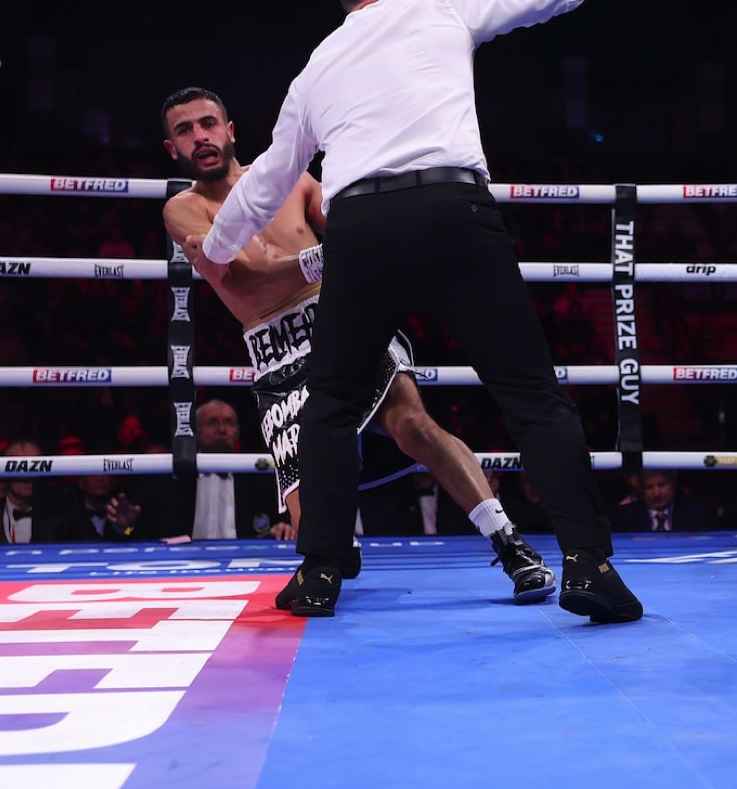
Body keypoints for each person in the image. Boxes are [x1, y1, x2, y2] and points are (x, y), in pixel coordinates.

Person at [161, 86, 557, 612]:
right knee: (309, 501)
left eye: (208, 123)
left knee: (412, 424)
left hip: (342, 314)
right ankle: (328, 558)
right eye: (185, 131)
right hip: (275, 347)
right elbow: (247, 282)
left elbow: (355, 231)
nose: (200, 137)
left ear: (230, 131)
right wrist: (321, 260)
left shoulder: (294, 181)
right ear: (173, 149)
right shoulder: (181, 209)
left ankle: (511, 545)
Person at [132, 399, 291, 541]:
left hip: (245, 559)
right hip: (184, 563)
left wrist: (285, 527)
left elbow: (283, 521)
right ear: (195, 430)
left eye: (229, 422)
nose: (222, 429)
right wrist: (125, 525)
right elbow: (137, 528)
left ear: (237, 431)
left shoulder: (258, 476)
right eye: (212, 422)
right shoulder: (169, 476)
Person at [611, 470, 709, 533]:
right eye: (649, 487)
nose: (656, 493)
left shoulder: (693, 514)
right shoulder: (625, 516)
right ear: (642, 489)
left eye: (662, 485)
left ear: (673, 483)